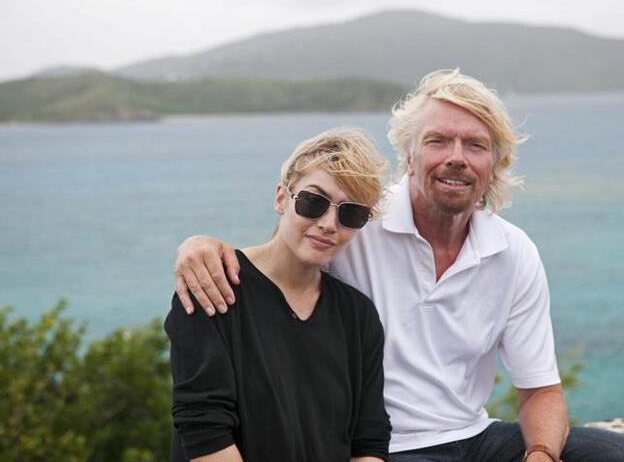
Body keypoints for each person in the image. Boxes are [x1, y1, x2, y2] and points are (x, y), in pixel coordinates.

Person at [173, 70, 624, 461]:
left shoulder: (514, 252)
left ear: (495, 165)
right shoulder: (358, 219)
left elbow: (541, 390)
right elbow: (289, 246)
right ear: (408, 158)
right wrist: (201, 245)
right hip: (391, 448)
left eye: (476, 145)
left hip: (475, 435)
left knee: (607, 452)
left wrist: (540, 454)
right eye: (437, 140)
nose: (456, 157)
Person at [165, 128, 392, 462]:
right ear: (281, 198)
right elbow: (204, 429)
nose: (329, 223)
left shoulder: (357, 316)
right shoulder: (213, 286)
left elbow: (368, 440)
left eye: (350, 213)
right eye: (314, 202)